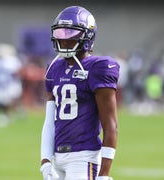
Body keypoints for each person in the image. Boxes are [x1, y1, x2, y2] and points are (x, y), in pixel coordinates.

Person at [40, 6, 119, 180]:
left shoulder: (99, 67)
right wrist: (45, 161)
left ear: (87, 37)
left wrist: (104, 173)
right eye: (60, 35)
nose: (64, 40)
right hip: (57, 157)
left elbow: (111, 125)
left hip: (83, 158)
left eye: (70, 35)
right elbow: (49, 121)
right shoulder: (54, 67)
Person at [0, 43, 23, 127]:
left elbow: (17, 73)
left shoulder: (12, 60)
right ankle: (10, 113)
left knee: (9, 101)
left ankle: (7, 115)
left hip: (9, 84)